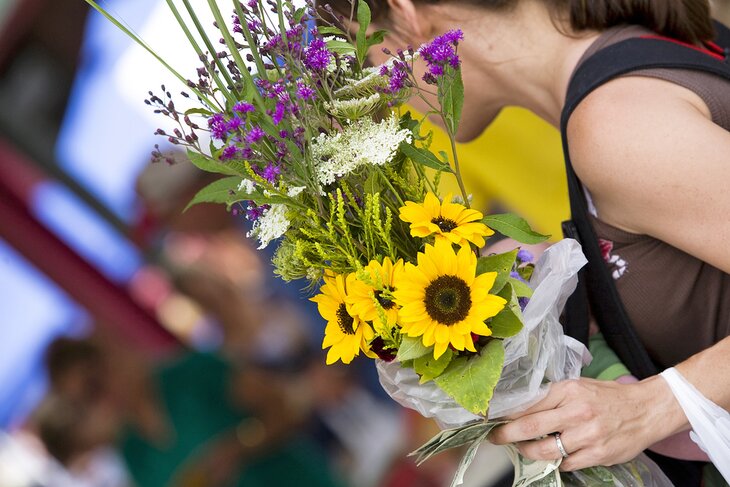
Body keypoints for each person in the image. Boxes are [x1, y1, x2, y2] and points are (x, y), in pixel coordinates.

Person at [322, 0, 730, 480]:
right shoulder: (629, 56)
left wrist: (651, 406)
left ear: (408, 15)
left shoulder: (612, 125)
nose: (380, 94)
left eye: (364, 57)